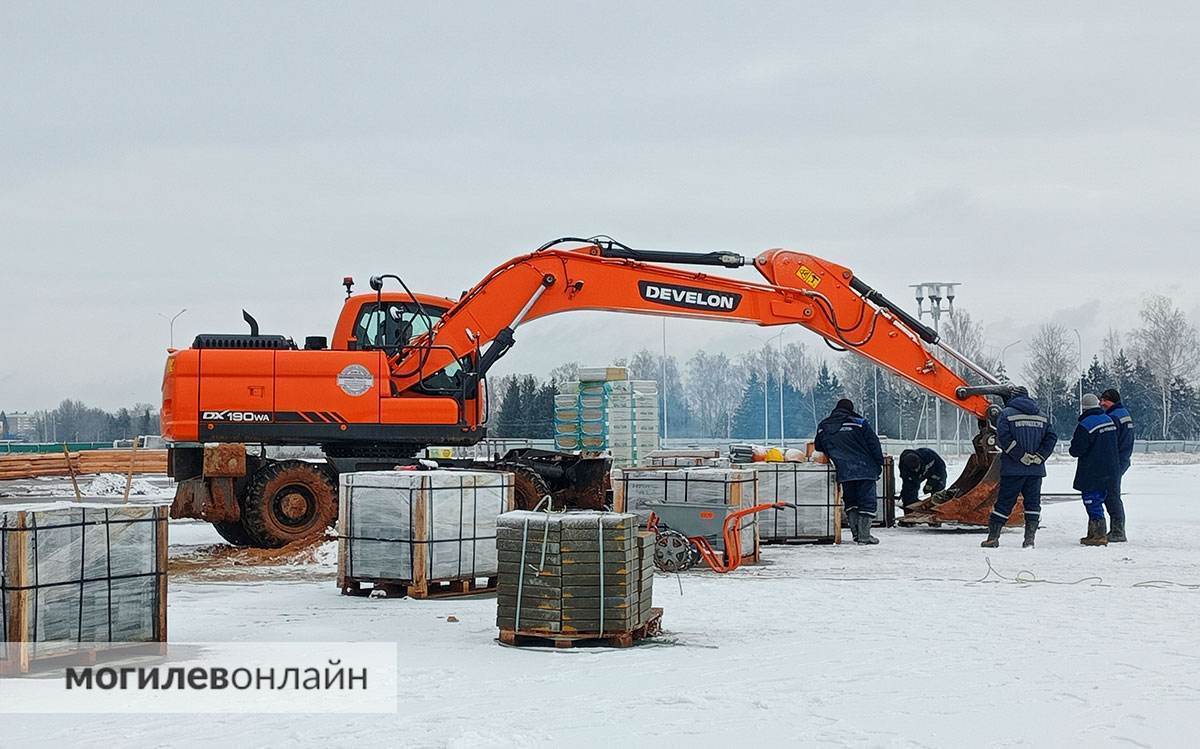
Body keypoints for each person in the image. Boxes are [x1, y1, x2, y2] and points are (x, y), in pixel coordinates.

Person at [982, 386, 1057, 548]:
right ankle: (1029, 539)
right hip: (1035, 470)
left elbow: (1002, 438)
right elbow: (1051, 438)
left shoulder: (1006, 414)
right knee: (1033, 504)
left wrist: (1020, 455)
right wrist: (1040, 456)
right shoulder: (1042, 415)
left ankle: (993, 538)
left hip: (1013, 469)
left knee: (1004, 503)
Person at [815, 398, 884, 545]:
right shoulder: (859, 422)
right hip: (865, 469)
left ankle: (856, 535)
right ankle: (865, 536)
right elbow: (874, 444)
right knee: (867, 502)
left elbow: (818, 447)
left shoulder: (823, 426)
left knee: (851, 502)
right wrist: (879, 463)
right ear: (850, 409)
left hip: (844, 470)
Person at [1069, 392, 1121, 546]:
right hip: (1111, 469)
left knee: (1092, 500)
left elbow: (1076, 450)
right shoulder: (1108, 420)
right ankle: (1094, 533)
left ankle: (1098, 535)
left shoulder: (1086, 425)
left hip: (1093, 470)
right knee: (1102, 499)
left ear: (1083, 408)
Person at [1099, 388, 1134, 542]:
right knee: (1112, 493)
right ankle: (1117, 529)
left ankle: (1118, 531)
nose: (1101, 403)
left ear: (1113, 401)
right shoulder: (1124, 414)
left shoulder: (1113, 417)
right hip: (1123, 458)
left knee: (1111, 495)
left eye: (1105, 400)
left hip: (1115, 461)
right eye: (1101, 400)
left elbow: (1109, 442)